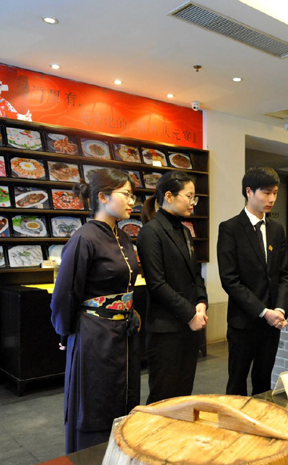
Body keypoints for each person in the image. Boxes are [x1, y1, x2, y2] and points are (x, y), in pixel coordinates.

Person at [50, 168, 140, 453]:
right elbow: (64, 294)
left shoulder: (123, 237)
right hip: (94, 337)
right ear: (102, 197)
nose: (132, 201)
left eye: (133, 195)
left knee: (124, 401)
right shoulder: (84, 238)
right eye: (126, 194)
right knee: (96, 404)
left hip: (123, 335)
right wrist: (65, 333)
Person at [217, 166, 288, 396]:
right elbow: (230, 280)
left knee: (263, 381)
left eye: (275, 193)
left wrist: (279, 309)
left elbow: (284, 274)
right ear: (249, 191)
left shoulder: (277, 230)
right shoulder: (230, 228)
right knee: (237, 383)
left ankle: (262, 417)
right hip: (244, 321)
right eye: (266, 193)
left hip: (272, 324)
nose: (272, 199)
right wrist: (263, 311)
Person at [137, 171, 208, 404]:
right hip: (165, 330)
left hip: (189, 327)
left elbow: (195, 275)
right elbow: (157, 284)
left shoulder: (185, 231)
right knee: (163, 397)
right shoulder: (151, 232)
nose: (193, 202)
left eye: (194, 197)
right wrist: (190, 314)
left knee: (183, 395)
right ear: (169, 196)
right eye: (189, 196)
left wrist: (201, 302)